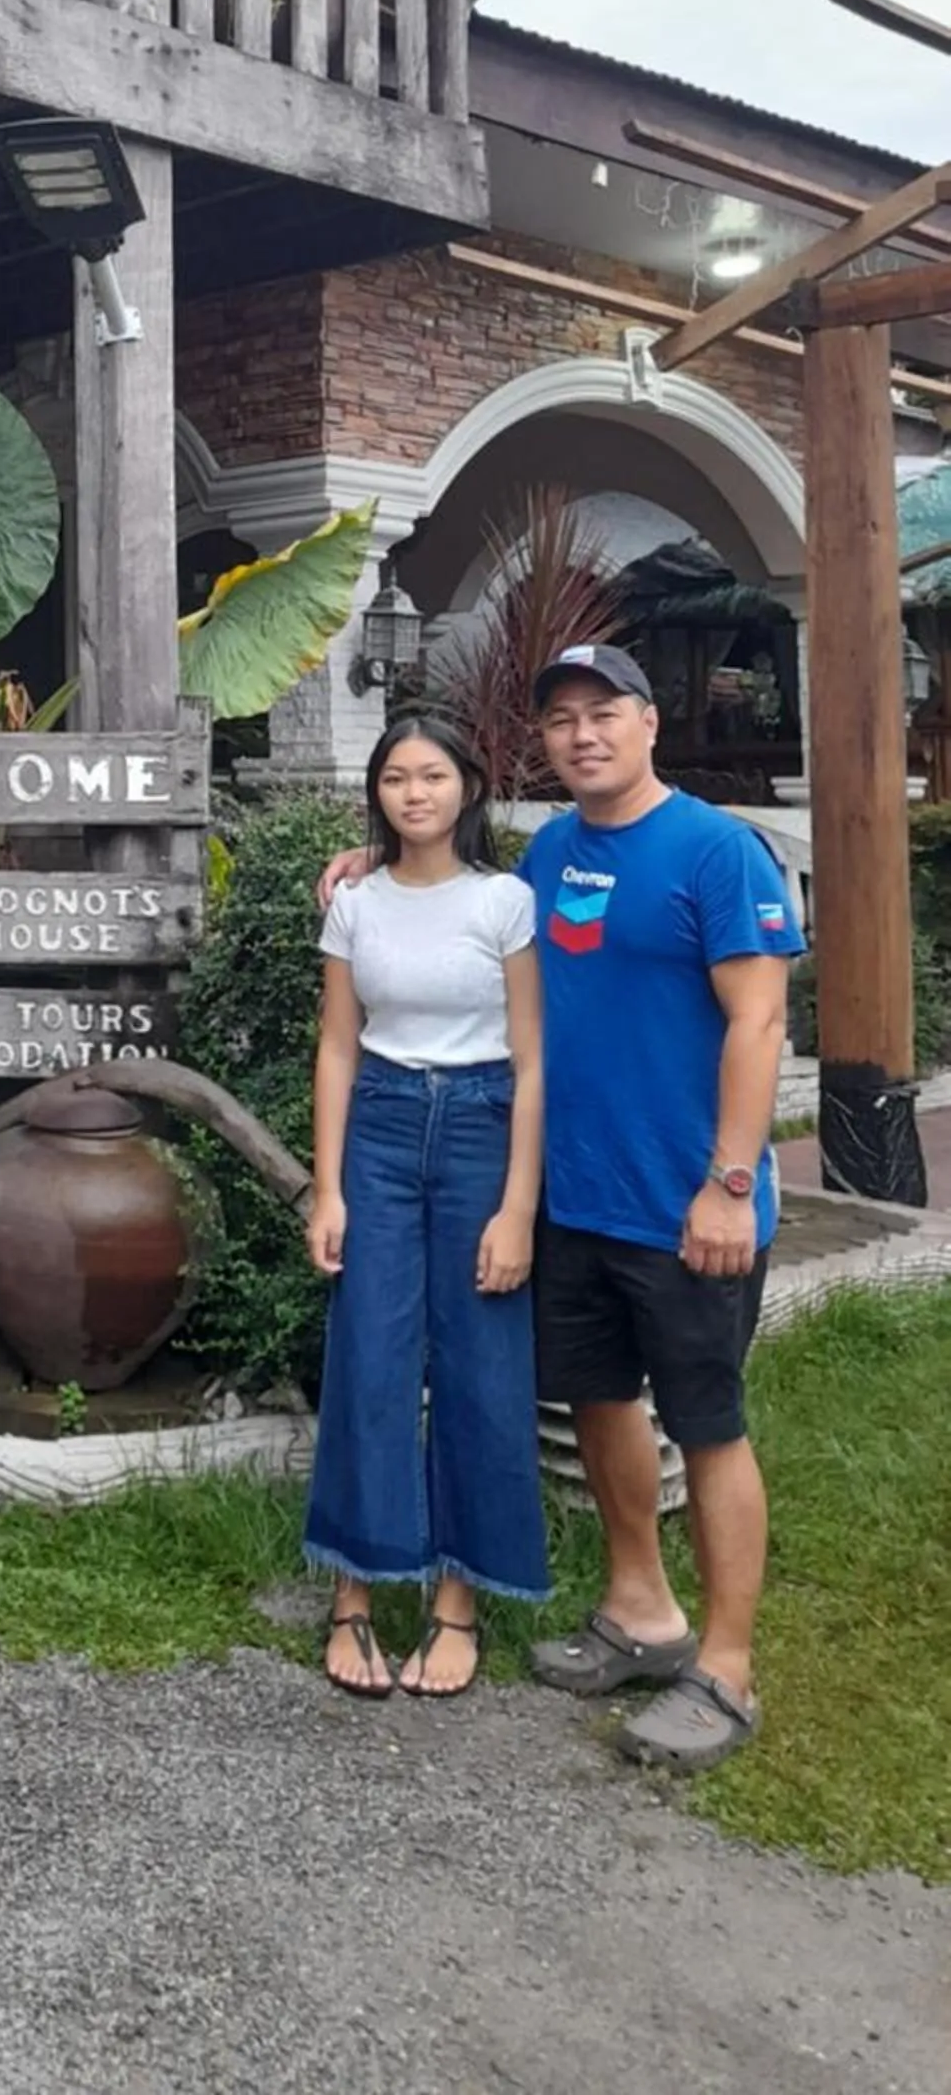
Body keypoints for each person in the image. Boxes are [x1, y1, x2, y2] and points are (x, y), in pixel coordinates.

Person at [322, 642, 802, 1770]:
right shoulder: (548, 857)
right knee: (599, 1402)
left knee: (709, 1425)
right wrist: (369, 857)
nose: (583, 735)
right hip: (576, 1200)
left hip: (689, 1201)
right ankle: (640, 1610)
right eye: (561, 720)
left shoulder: (719, 850)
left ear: (649, 722)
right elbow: (444, 899)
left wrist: (731, 1182)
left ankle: (726, 1669)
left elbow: (761, 1021)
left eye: (605, 713)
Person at [307, 713, 548, 1700]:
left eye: (434, 776)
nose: (415, 794)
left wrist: (518, 1207)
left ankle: (458, 1601)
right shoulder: (354, 904)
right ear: (377, 793)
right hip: (380, 1124)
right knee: (368, 1354)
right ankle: (354, 1593)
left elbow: (532, 1060)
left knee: (480, 1365)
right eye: (397, 778)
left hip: (483, 1127)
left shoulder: (505, 901)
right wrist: (327, 1188)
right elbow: (337, 1046)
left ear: (468, 788)